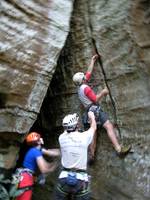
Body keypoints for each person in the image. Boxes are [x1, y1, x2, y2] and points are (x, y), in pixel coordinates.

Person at [72, 54, 131, 159]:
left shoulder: (80, 88)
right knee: (108, 126)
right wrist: (103, 92)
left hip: (87, 113)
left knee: (93, 134)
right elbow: (95, 99)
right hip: (94, 110)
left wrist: (92, 61)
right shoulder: (86, 88)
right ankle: (118, 149)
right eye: (84, 77)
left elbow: (88, 74)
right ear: (82, 80)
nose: (86, 77)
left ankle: (91, 155)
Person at [54, 111, 97, 200]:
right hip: (81, 180)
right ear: (76, 125)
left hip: (64, 178)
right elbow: (94, 127)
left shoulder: (61, 138)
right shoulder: (84, 137)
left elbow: (66, 131)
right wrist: (92, 116)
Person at [11, 132, 60, 200]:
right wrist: (56, 164)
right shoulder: (36, 152)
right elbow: (44, 169)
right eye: (40, 138)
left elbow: (50, 152)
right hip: (26, 180)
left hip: (22, 177)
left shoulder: (35, 150)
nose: (41, 139)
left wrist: (62, 151)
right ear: (38, 141)